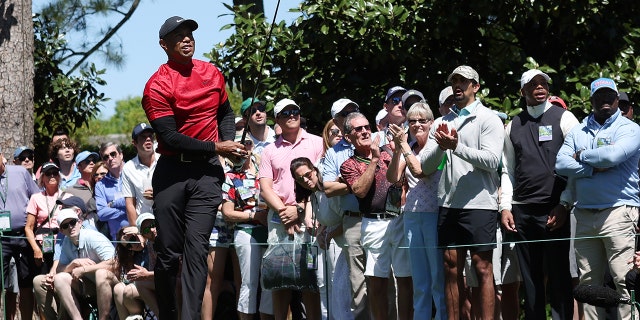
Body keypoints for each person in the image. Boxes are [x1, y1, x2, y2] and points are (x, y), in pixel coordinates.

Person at [141, 15, 245, 319]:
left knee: (198, 249)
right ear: (164, 45)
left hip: (207, 174)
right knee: (170, 253)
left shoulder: (212, 73)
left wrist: (229, 144)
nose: (187, 39)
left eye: (189, 34)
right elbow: (171, 136)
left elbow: (225, 112)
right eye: (178, 35)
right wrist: (218, 146)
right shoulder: (156, 85)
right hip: (173, 172)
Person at [420, 65, 504, 320]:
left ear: (475, 87)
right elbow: (425, 166)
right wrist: (441, 146)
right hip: (449, 204)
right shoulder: (442, 121)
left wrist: (456, 147)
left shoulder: (489, 119)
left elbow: (491, 161)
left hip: (480, 204)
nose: (458, 86)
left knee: (482, 268)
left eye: (463, 81)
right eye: (454, 81)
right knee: (451, 269)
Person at [555, 77, 640, 320]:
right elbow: (561, 163)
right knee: (588, 287)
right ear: (591, 100)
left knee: (626, 282)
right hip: (584, 214)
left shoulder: (629, 128)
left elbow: (613, 156)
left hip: (619, 212)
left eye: (609, 96)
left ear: (616, 99)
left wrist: (580, 155)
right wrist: (591, 168)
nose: (605, 100)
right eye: (599, 96)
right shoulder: (578, 129)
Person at [500, 69, 579, 320]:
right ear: (522, 91)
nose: (539, 87)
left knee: (559, 276)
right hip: (522, 211)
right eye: (532, 84)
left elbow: (577, 167)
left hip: (555, 208)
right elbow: (507, 170)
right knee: (531, 279)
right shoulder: (512, 125)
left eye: (543, 83)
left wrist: (565, 204)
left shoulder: (565, 118)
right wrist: (506, 206)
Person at [339, 112, 412, 320]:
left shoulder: (390, 151)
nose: (364, 131)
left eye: (366, 127)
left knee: (405, 278)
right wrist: (374, 160)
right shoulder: (349, 165)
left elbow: (402, 178)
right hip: (373, 223)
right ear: (347, 137)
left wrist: (398, 147)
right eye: (358, 129)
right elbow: (360, 191)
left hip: (398, 219)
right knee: (377, 281)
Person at [258, 98, 324, 320]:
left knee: (310, 279)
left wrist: (299, 209)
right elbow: (265, 188)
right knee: (280, 281)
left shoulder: (316, 142)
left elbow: (319, 182)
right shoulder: (269, 151)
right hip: (279, 222)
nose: (292, 115)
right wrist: (284, 212)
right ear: (277, 119)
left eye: (295, 111)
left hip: (310, 219)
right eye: (286, 113)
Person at [387, 103, 447, 319]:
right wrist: (397, 149)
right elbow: (393, 178)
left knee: (438, 279)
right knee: (420, 280)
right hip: (412, 216)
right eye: (412, 121)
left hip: (434, 215)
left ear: (432, 122)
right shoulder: (407, 147)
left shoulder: (436, 147)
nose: (417, 125)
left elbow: (420, 171)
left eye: (422, 120)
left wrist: (402, 145)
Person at [322, 98, 369, 320]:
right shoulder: (333, 153)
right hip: (352, 222)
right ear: (336, 121)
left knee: (385, 279)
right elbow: (329, 188)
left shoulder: (373, 142)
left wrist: (346, 180)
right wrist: (359, 182)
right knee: (357, 283)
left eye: (354, 111)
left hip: (380, 218)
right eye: (345, 114)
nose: (351, 116)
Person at [221, 143, 273, 320]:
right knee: (249, 283)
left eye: (246, 145)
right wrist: (254, 216)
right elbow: (227, 213)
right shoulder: (230, 177)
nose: (242, 150)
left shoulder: (265, 172)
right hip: (246, 230)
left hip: (270, 230)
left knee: (269, 283)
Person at [0, 149, 41, 319]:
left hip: (24, 235)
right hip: (2, 239)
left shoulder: (20, 172)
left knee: (26, 283)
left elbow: (37, 197)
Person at [53, 208, 116, 320]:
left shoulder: (92, 237)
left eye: (72, 222)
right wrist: (73, 264)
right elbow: (59, 270)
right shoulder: (66, 242)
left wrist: (84, 269)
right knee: (59, 278)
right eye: (65, 226)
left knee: (101, 273)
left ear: (79, 222)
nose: (70, 227)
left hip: (113, 283)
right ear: (61, 231)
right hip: (92, 286)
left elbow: (114, 262)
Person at [110, 226, 152, 319]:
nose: (133, 245)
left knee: (129, 291)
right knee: (118, 288)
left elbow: (155, 226)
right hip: (142, 288)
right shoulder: (134, 256)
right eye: (129, 246)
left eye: (132, 239)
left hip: (156, 283)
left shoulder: (151, 240)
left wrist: (138, 230)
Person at [122, 123, 158, 226]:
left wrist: (158, 194)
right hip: (146, 224)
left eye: (150, 136)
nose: (148, 139)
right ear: (134, 143)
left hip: (168, 218)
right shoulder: (129, 168)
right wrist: (137, 232)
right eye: (143, 137)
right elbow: (130, 204)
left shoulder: (163, 158)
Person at [95, 142, 127, 241]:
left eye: (113, 154)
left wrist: (113, 204)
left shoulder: (133, 173)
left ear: (121, 155)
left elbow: (138, 200)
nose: (110, 158)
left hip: (140, 236)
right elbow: (101, 214)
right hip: (117, 241)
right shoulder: (100, 185)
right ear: (104, 161)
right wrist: (127, 210)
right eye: (106, 157)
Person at [66, 150, 100, 227]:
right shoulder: (70, 191)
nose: (92, 163)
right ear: (79, 166)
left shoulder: (101, 186)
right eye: (87, 161)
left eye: (94, 160)